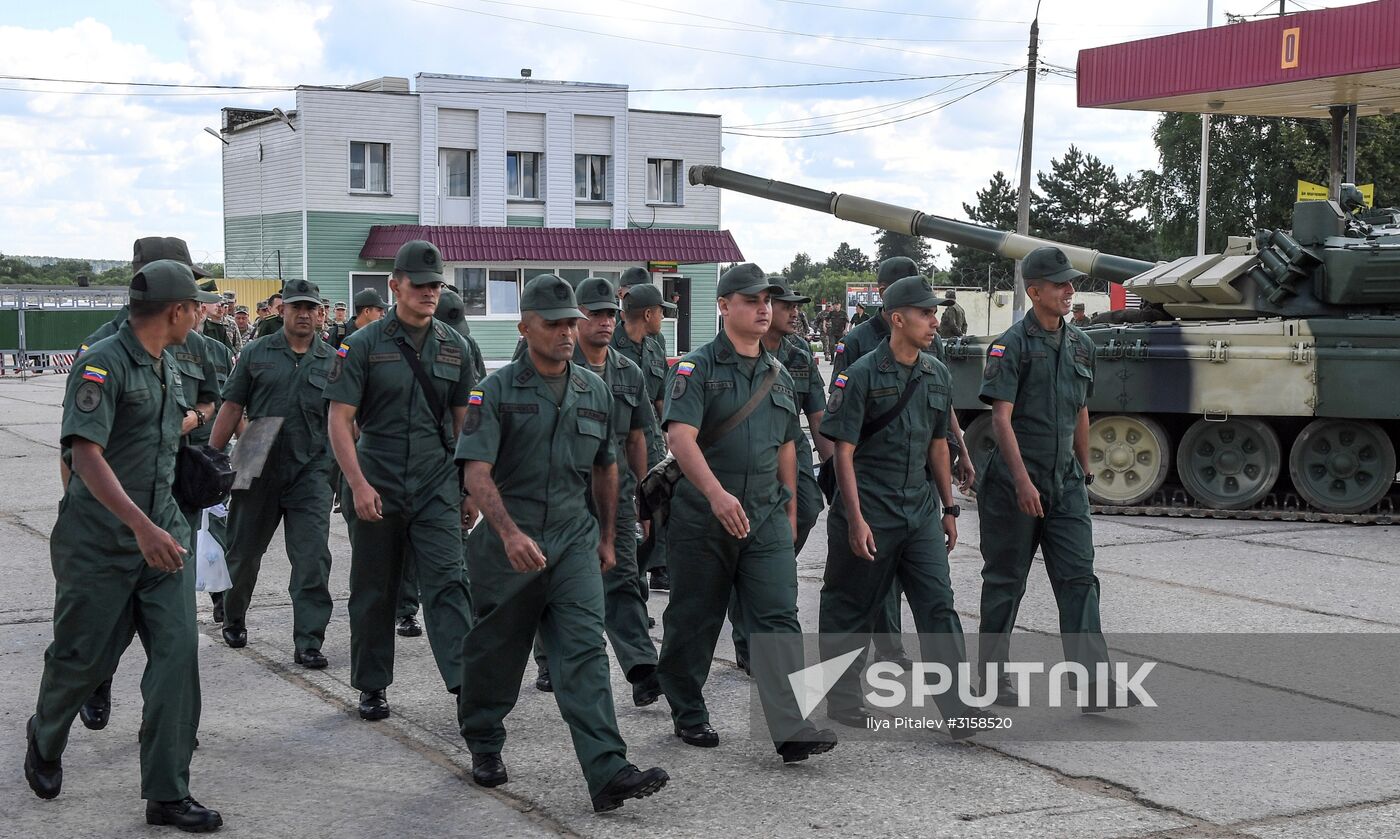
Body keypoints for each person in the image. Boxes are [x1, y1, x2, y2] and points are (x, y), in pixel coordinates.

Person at [455, 274, 670, 812]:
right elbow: (476, 476)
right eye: (554, 324)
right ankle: (483, 739)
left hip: (573, 540)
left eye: (571, 322)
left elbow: (606, 468)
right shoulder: (495, 391)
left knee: (584, 654)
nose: (568, 332)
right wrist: (507, 534)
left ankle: (607, 771)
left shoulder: (593, 388)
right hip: (511, 545)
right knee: (496, 654)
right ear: (525, 327)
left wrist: (604, 537)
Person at [28, 259, 224, 831]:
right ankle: (45, 736)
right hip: (101, 545)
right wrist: (140, 526)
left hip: (165, 539)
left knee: (176, 661)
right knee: (82, 658)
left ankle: (166, 792)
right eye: (196, 305)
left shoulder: (169, 363)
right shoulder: (100, 363)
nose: (201, 313)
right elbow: (84, 455)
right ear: (176, 310)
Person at [658, 262, 838, 762]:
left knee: (778, 619)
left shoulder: (779, 375)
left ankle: (789, 726)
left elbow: (786, 444)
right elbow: (679, 437)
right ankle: (688, 710)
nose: (764, 308)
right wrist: (716, 495)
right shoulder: (695, 369)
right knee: (694, 619)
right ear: (723, 306)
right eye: (751, 300)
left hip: (765, 519)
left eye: (767, 301)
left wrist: (790, 512)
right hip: (703, 518)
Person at [816, 276, 980, 733]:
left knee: (938, 606)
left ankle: (959, 708)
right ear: (898, 318)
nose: (934, 320)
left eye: (935, 313)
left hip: (919, 509)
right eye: (926, 313)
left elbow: (936, 444)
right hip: (870, 507)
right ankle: (843, 699)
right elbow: (842, 451)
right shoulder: (862, 374)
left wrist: (948, 508)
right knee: (851, 608)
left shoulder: (936, 372)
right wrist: (854, 518)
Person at [976, 246, 1133, 712]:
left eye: (1071, 283)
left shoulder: (1082, 344)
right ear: (1034, 291)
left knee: (1079, 579)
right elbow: (1001, 420)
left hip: (1065, 484)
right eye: (1060, 284)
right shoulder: (1011, 345)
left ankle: (1093, 685)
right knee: (1005, 581)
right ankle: (991, 678)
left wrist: (1083, 470)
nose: (1070, 290)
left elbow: (1081, 410)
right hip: (1012, 484)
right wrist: (1023, 482)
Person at [324, 240, 476, 720]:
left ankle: (465, 685)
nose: (429, 293)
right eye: (420, 284)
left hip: (435, 481)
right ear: (395, 286)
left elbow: (463, 426)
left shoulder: (456, 346)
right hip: (378, 478)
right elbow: (339, 420)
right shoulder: (362, 345)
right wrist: (357, 484)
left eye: (436, 286)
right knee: (375, 588)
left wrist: (468, 486)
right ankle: (372, 684)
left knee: (450, 583)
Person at [530, 277, 662, 703]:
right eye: (595, 313)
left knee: (623, 577)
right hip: (560, 493)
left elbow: (638, 436)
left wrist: (642, 494)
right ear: (576, 317)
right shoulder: (551, 362)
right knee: (552, 579)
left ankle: (641, 667)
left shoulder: (628, 370)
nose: (605, 321)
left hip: (615, 493)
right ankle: (549, 659)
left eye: (610, 314)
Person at [209, 278, 336, 669]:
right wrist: (211, 460)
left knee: (312, 558)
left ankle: (309, 641)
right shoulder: (256, 353)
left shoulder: (334, 361)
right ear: (282, 311)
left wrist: (352, 473)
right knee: (243, 554)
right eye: (295, 306)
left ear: (320, 314)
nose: (303, 313)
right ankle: (233, 616)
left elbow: (346, 420)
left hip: (310, 469)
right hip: (254, 459)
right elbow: (232, 407)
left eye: (310, 308)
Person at [727, 279, 832, 674]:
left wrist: (833, 468)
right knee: (746, 538)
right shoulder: (736, 350)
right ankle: (746, 636)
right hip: (747, 455)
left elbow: (817, 414)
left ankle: (764, 575)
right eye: (785, 305)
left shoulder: (800, 352)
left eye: (791, 306)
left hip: (791, 449)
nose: (792, 312)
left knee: (805, 511)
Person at [613, 282, 676, 593]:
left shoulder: (655, 342)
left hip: (649, 437)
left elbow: (661, 390)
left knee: (656, 511)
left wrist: (666, 434)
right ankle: (628, 585)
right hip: (620, 441)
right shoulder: (610, 343)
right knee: (626, 517)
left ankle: (647, 571)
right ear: (648, 313)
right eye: (661, 312)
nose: (663, 317)